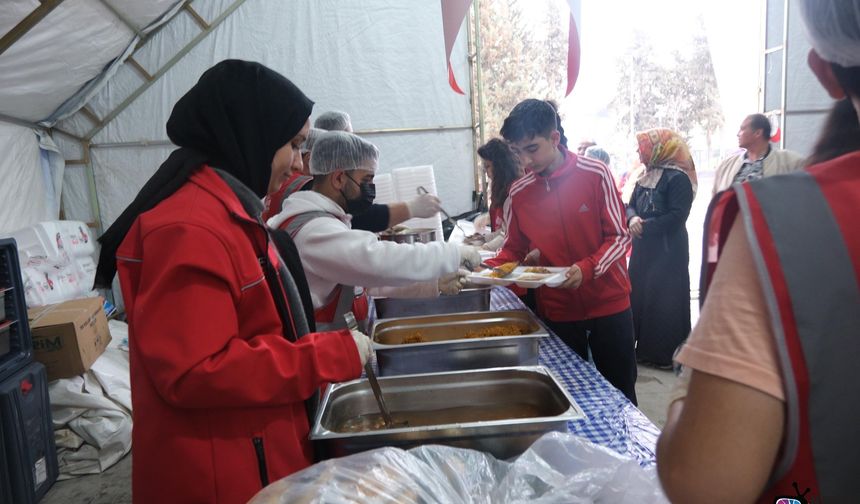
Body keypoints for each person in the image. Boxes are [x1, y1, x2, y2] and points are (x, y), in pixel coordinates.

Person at [93, 60, 373, 504]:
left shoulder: (232, 211)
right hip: (219, 477)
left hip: (251, 457)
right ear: (253, 132)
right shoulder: (190, 228)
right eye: (295, 145)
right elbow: (195, 371)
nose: (300, 164)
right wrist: (323, 356)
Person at [657, 1, 860, 501]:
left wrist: (692, 388)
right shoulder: (742, 178)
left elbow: (702, 481)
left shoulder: (792, 218)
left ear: (824, 72)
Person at [488, 99, 637, 404]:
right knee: (568, 394)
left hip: (608, 303)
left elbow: (619, 238)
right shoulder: (519, 192)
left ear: (554, 139)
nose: (527, 162)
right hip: (557, 308)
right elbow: (513, 249)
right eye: (519, 152)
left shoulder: (595, 174)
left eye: (533, 149)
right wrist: (486, 271)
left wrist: (587, 267)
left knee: (621, 392)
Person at [269, 130, 480, 330]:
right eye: (366, 180)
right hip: (321, 355)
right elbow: (378, 259)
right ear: (339, 178)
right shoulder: (314, 230)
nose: (370, 189)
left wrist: (433, 283)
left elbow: (364, 281)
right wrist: (452, 253)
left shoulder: (325, 220)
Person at [625, 129, 695, 368]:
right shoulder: (646, 175)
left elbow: (678, 216)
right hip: (643, 248)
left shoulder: (678, 179)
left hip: (667, 252)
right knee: (639, 296)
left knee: (663, 301)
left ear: (659, 149)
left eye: (642, 147)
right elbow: (631, 205)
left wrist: (646, 226)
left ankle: (663, 356)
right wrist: (632, 219)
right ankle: (642, 350)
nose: (638, 152)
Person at [711, 113, 804, 195]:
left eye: (742, 129)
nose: (738, 134)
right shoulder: (726, 166)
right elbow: (715, 203)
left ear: (758, 133)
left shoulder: (791, 163)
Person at [474, 138, 524, 251]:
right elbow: (502, 229)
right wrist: (483, 240)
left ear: (500, 166)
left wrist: (483, 247)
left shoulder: (514, 190)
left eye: (487, 166)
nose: (485, 171)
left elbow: (507, 234)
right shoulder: (500, 187)